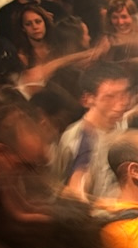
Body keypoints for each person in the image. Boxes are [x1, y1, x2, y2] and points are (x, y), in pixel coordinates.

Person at [53, 61, 132, 199]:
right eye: (110, 97)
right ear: (88, 99)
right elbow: (76, 195)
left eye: (124, 93)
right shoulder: (80, 140)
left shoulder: (121, 124)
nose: (122, 102)